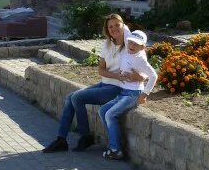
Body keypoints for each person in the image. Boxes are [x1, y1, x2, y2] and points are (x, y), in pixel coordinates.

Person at [42, 13, 145, 153]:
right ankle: (62, 139)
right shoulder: (107, 44)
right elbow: (101, 70)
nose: (114, 28)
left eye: (117, 25)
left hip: (118, 88)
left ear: (124, 26)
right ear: (107, 29)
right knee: (71, 97)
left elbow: (144, 68)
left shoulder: (131, 44)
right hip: (105, 83)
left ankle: (86, 137)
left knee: (77, 97)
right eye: (110, 26)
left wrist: (138, 78)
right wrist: (115, 75)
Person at [99, 30, 158, 160]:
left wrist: (144, 94)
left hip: (132, 94)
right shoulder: (126, 50)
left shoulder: (140, 59)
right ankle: (115, 144)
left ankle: (115, 149)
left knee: (110, 114)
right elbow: (124, 30)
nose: (131, 45)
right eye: (130, 42)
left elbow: (153, 75)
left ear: (142, 47)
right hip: (123, 92)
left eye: (136, 44)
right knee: (103, 110)